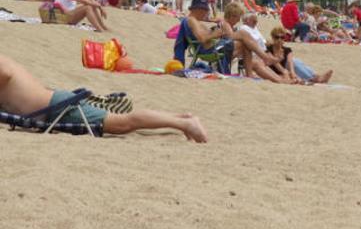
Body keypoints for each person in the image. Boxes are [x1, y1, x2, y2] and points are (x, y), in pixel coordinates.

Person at [0, 54, 207, 142]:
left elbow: (5, 74)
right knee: (125, 123)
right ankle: (181, 118)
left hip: (57, 108)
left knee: (123, 124)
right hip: (54, 105)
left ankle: (185, 124)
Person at [266, 27, 333, 84]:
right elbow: (274, 62)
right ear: (273, 38)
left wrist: (292, 73)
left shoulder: (287, 50)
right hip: (274, 71)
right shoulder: (268, 49)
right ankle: (315, 78)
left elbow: (290, 62)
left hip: (285, 70)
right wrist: (286, 72)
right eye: (277, 37)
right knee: (295, 62)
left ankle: (315, 76)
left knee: (296, 61)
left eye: (282, 37)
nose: (279, 40)